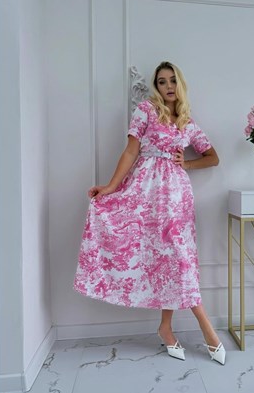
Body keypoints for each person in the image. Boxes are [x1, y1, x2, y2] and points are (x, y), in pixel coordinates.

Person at [74, 61, 226, 365]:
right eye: (161, 82)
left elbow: (213, 158)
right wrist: (111, 187)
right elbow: (131, 150)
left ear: (180, 84)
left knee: (177, 260)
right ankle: (201, 330)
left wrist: (187, 164)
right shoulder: (146, 110)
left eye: (172, 80)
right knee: (166, 260)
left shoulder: (187, 122)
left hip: (177, 197)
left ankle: (169, 328)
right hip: (145, 193)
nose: (167, 86)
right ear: (156, 87)